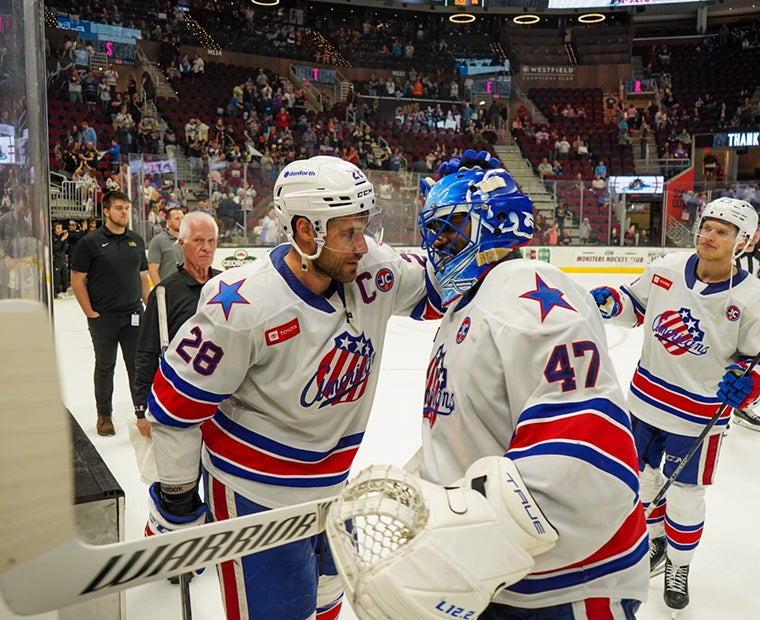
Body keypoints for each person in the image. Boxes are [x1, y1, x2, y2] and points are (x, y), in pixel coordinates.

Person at [344, 157, 648, 619]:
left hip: (567, 588)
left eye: (451, 229)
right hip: (506, 582)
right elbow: (475, 432)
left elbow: (590, 465)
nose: (437, 246)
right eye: (434, 233)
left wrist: (455, 550)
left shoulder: (525, 294)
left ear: (497, 224)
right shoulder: (468, 304)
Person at [143, 156, 443, 619]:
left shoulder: (370, 269)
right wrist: (178, 495)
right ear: (306, 230)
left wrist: (477, 239)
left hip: (333, 488)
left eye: (364, 227)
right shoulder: (241, 304)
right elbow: (176, 405)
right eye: (348, 233)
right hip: (255, 499)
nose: (362, 245)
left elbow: (445, 284)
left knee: (326, 601)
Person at [589, 197, 760, 612]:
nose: (709, 236)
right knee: (643, 485)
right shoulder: (665, 268)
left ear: (743, 241)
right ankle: (654, 543)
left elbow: (754, 361)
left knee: (685, 496)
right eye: (707, 226)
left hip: (699, 416)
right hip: (645, 402)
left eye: (722, 231)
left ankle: (679, 565)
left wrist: (749, 385)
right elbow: (635, 307)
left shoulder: (752, 297)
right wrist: (613, 303)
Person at [134, 212, 221, 439]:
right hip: (182, 400)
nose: (207, 247)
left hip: (225, 404)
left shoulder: (227, 286)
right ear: (181, 244)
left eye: (211, 241)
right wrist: (141, 409)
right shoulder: (165, 293)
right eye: (199, 240)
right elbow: (146, 353)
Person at [70, 191, 150, 437]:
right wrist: (90, 312)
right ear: (106, 211)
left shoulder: (136, 240)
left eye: (126, 208)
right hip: (103, 318)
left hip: (134, 316)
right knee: (105, 366)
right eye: (119, 208)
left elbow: (143, 277)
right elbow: (77, 280)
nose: (124, 212)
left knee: (137, 367)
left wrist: (149, 307)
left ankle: (142, 413)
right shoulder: (90, 242)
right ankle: (104, 415)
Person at [147, 207, 184, 285]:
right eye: (177, 219)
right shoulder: (158, 240)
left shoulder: (190, 240)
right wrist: (160, 290)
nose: (181, 221)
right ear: (168, 222)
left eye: (183, 218)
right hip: (169, 291)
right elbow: (152, 270)